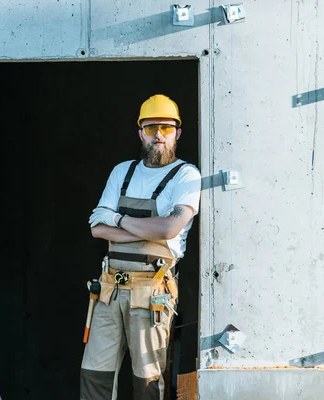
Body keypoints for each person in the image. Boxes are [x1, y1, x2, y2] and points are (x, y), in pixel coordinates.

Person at [80, 94, 202, 400]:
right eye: (150, 128)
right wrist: (147, 230)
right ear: (140, 133)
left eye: (165, 127)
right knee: (95, 375)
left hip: (152, 293)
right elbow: (97, 229)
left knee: (147, 381)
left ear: (178, 132)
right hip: (109, 290)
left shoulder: (186, 176)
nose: (158, 135)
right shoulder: (123, 172)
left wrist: (118, 220)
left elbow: (169, 228)